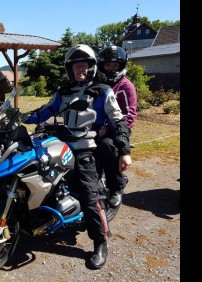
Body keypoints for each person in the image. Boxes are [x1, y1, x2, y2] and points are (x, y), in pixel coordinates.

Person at [24, 44, 132, 270]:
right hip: (60, 145)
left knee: (88, 195)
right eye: (75, 66)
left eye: (83, 65)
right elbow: (45, 111)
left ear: (92, 67)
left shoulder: (103, 91)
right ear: (69, 69)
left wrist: (124, 151)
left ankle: (100, 242)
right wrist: (21, 117)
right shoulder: (63, 92)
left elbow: (119, 122)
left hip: (85, 149)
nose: (79, 70)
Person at [94, 45, 138, 207]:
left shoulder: (126, 86)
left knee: (107, 147)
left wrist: (109, 128)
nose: (111, 69)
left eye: (115, 65)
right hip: (95, 127)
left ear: (121, 66)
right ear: (101, 66)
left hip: (119, 130)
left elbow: (129, 115)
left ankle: (116, 187)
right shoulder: (96, 83)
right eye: (108, 65)